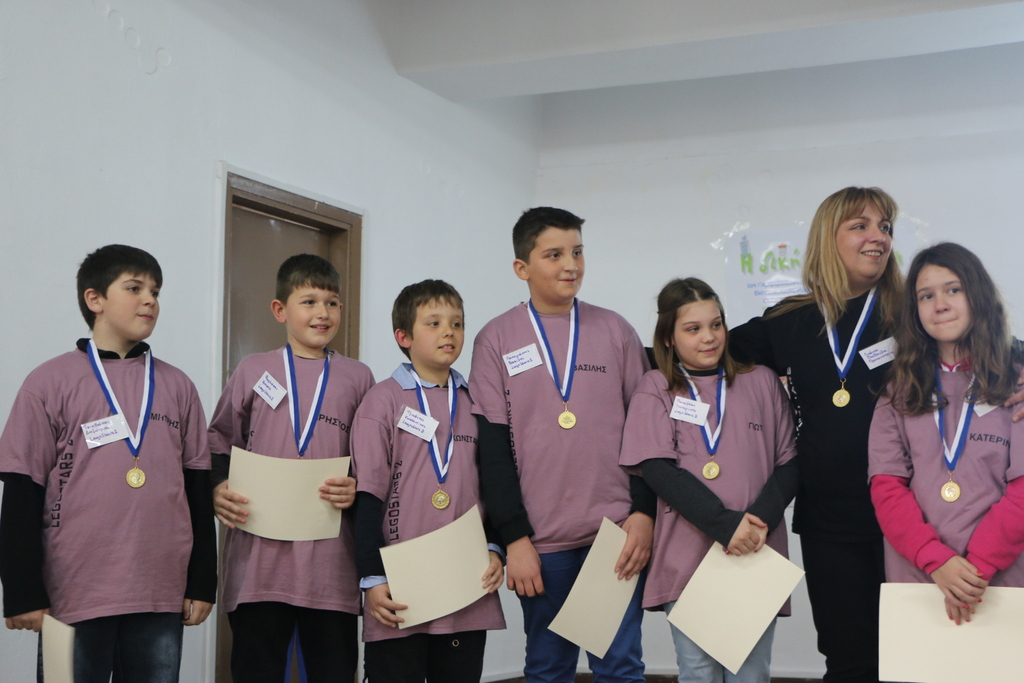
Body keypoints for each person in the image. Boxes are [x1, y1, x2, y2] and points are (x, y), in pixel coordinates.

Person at [0, 244, 217, 683]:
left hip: (158, 591)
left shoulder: (178, 386)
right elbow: (22, 490)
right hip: (74, 590)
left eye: (155, 291)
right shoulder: (49, 382)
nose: (150, 300)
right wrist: (21, 590)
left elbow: (197, 490)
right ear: (95, 299)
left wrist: (202, 581)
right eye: (135, 288)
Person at [470, 207, 655, 683]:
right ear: (522, 267)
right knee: (548, 668)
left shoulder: (615, 330)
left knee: (620, 667)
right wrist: (514, 538)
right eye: (554, 255)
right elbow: (492, 449)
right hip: (540, 542)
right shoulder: (495, 339)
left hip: (614, 535)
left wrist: (644, 512)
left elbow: (647, 432)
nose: (570, 265)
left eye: (577, 252)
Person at [729, 187, 902, 682]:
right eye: (860, 225)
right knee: (848, 661)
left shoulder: (911, 312)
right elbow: (706, 351)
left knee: (912, 656)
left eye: (885, 227)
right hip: (829, 520)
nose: (877, 237)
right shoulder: (789, 320)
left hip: (909, 518)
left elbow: (993, 346)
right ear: (829, 238)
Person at [621, 277, 798, 683]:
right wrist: (725, 524)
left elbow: (790, 463)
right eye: (693, 328)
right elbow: (657, 469)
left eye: (716, 325)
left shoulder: (762, 381)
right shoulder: (656, 387)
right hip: (688, 556)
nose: (709, 337)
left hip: (754, 550)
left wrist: (757, 521)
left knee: (751, 672)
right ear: (668, 337)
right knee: (698, 672)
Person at [208, 254, 374, 683]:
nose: (323, 312)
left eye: (332, 303)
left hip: (330, 567)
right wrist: (217, 487)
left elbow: (373, 459)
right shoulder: (253, 370)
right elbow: (219, 442)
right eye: (309, 301)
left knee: (333, 671)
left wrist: (356, 486)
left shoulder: (358, 378)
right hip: (259, 566)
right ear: (280, 309)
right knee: (257, 670)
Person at [350, 279, 505, 683]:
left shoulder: (478, 402)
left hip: (465, 580)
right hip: (400, 585)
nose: (448, 332)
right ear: (404, 336)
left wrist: (495, 548)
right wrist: (373, 577)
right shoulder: (382, 401)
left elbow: (494, 485)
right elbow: (367, 495)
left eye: (457, 323)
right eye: (433, 323)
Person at [869, 243, 1024, 625]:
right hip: (919, 577)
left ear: (978, 296)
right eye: (926, 295)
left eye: (953, 290)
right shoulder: (897, 391)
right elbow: (887, 488)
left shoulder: (1017, 383)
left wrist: (978, 567)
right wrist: (937, 560)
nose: (940, 304)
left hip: (1000, 582)